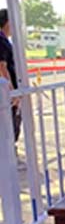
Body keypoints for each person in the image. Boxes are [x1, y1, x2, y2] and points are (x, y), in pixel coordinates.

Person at [0, 9, 22, 145]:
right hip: (7, 93)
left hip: (9, 91)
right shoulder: (1, 41)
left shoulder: (5, 40)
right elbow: (1, 66)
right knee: (10, 128)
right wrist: (12, 91)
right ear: (9, 22)